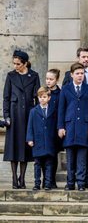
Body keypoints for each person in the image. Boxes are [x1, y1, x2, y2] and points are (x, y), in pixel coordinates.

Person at [62, 47, 88, 188]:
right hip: (71, 122)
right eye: (83, 57)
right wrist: (61, 126)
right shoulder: (69, 78)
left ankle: (87, 179)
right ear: (78, 58)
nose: (86, 59)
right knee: (73, 153)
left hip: (87, 121)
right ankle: (72, 180)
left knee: (87, 151)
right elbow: (64, 102)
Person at [3, 49, 40, 189]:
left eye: (18, 64)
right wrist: (6, 116)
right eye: (14, 63)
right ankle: (14, 178)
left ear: (25, 64)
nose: (15, 66)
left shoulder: (34, 76)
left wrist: (36, 116)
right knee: (13, 147)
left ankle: (22, 178)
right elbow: (6, 97)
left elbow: (38, 97)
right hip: (14, 114)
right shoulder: (11, 76)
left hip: (28, 115)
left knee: (25, 148)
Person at [58, 62, 88, 191]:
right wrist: (61, 127)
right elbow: (61, 110)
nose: (80, 76)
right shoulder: (66, 89)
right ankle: (70, 182)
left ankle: (81, 182)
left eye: (81, 73)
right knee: (70, 158)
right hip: (69, 127)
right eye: (77, 74)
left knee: (81, 157)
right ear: (72, 75)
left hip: (84, 127)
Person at [26, 87, 57, 190]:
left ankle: (48, 183)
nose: (42, 99)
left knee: (49, 163)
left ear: (49, 98)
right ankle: (37, 183)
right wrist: (30, 139)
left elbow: (55, 125)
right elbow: (30, 126)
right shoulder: (33, 111)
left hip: (49, 141)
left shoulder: (53, 110)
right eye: (40, 97)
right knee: (37, 164)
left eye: (44, 97)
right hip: (38, 141)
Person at [46, 69, 61, 188]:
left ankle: (52, 180)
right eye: (47, 79)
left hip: (54, 128)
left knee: (53, 155)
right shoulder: (43, 92)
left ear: (56, 80)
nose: (48, 81)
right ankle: (45, 180)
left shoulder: (60, 94)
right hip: (44, 128)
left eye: (51, 79)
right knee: (43, 156)